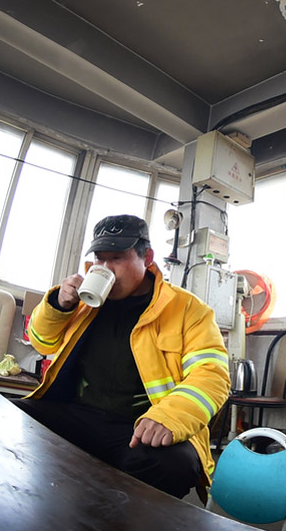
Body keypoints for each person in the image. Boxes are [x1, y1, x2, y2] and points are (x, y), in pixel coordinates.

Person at [16, 214, 230, 499]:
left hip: (139, 428)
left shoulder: (187, 309)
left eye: (116, 258)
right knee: (14, 415)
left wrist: (169, 417)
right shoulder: (84, 300)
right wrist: (58, 304)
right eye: (99, 260)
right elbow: (42, 342)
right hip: (80, 414)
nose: (105, 269)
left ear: (148, 258)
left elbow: (211, 375)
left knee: (175, 465)